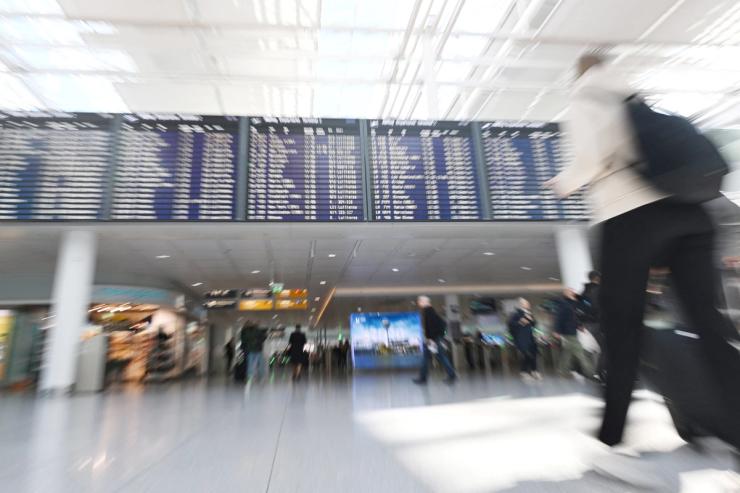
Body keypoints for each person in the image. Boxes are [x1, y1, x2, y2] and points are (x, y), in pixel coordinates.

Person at [546, 53, 740, 486]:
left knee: (622, 327)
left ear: (577, 71)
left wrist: (565, 182)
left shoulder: (585, 94)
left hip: (631, 215)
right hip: (692, 213)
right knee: (711, 326)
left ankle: (610, 439)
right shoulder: (637, 93)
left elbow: (593, 154)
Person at [413, 296, 457, 385]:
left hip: (433, 339)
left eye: (419, 301)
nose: (418, 303)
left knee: (438, 357)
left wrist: (430, 339)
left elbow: (430, 327)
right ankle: (423, 377)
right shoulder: (430, 311)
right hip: (435, 338)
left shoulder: (428, 311)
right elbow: (440, 324)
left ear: (424, 302)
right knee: (433, 357)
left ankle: (451, 375)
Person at [554, 288, 594, 379]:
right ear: (565, 293)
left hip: (572, 330)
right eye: (569, 291)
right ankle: (590, 373)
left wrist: (579, 326)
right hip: (568, 331)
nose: (571, 293)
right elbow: (558, 318)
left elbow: (574, 317)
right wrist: (556, 330)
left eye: (572, 291)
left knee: (567, 352)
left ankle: (562, 370)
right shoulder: (563, 303)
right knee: (580, 352)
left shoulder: (572, 303)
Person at [581, 270, 606, 380]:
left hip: (587, 324)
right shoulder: (598, 290)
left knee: (590, 350)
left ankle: (590, 372)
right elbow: (599, 308)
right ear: (597, 278)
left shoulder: (584, 291)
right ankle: (599, 373)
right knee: (604, 348)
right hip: (597, 323)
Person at [508, 298, 540, 380]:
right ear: (521, 304)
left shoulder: (529, 314)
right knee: (527, 354)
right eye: (526, 303)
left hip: (530, 338)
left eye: (528, 303)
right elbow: (510, 325)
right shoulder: (516, 314)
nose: (528, 305)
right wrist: (520, 322)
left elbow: (534, 324)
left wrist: (532, 321)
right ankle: (524, 372)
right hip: (521, 339)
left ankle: (534, 371)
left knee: (533, 354)